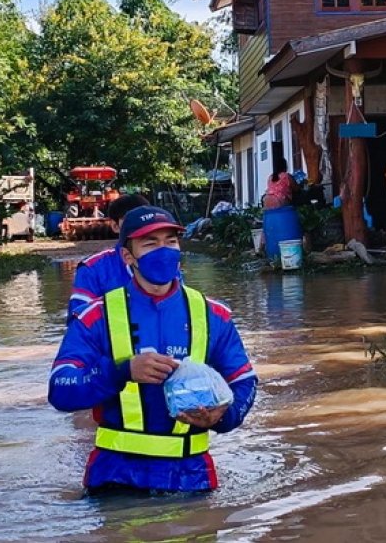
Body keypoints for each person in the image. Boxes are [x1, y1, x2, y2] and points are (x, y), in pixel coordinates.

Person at [49, 206, 257, 494]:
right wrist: (122, 371)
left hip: (192, 479)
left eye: (171, 241)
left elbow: (244, 381)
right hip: (116, 479)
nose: (164, 251)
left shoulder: (213, 315)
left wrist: (223, 416)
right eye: (150, 243)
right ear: (127, 256)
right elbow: (60, 388)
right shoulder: (97, 316)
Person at [66, 194, 151, 324]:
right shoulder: (92, 269)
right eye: (131, 221)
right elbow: (78, 322)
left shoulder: (166, 263)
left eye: (145, 220)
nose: (140, 226)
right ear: (115, 226)